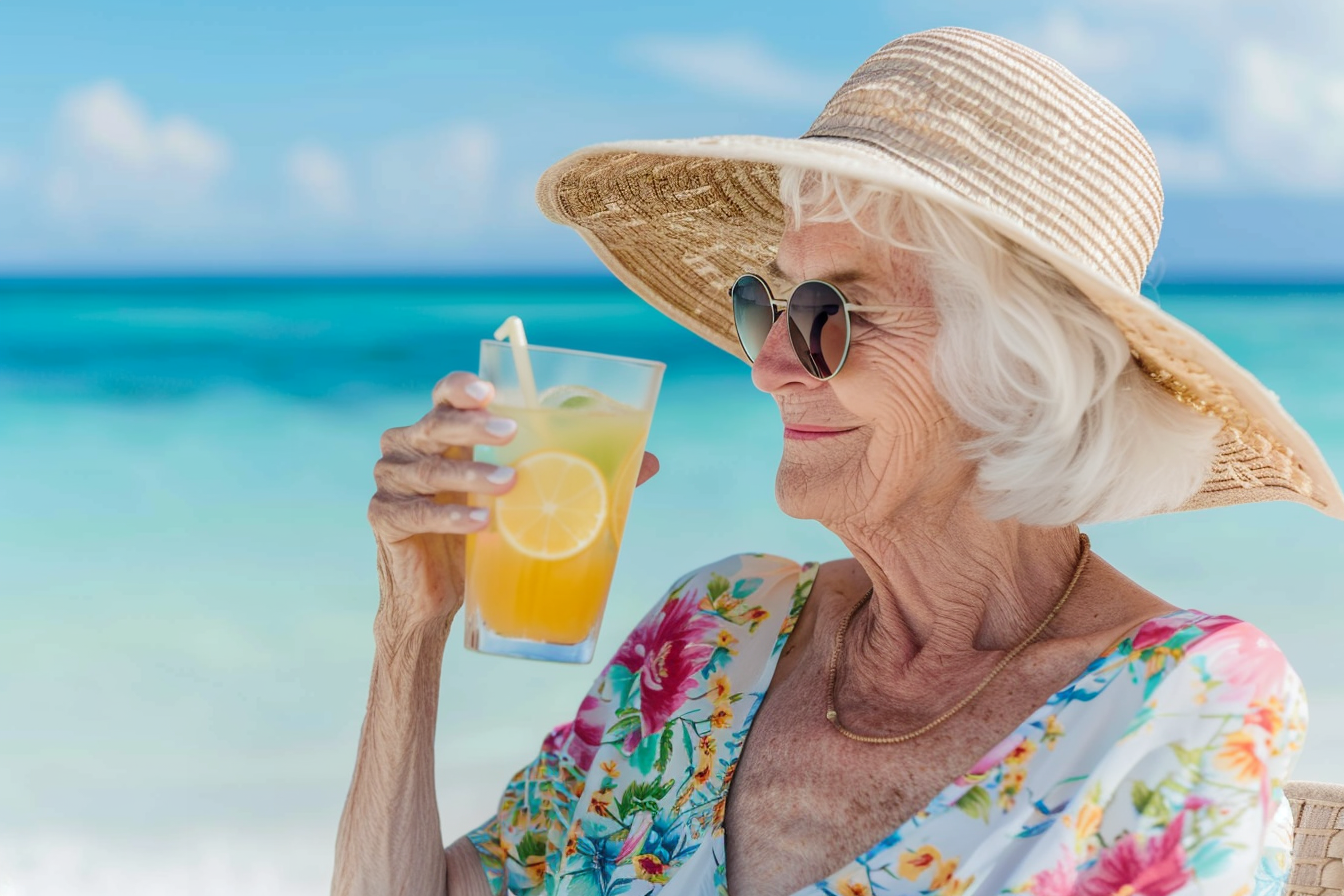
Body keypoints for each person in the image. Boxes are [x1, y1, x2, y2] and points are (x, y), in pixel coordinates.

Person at [332, 26, 1342, 896]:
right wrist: (407, 627)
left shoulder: (1179, 700)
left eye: (826, 315)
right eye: (765, 304)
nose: (767, 364)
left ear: (1017, 367)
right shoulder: (715, 634)